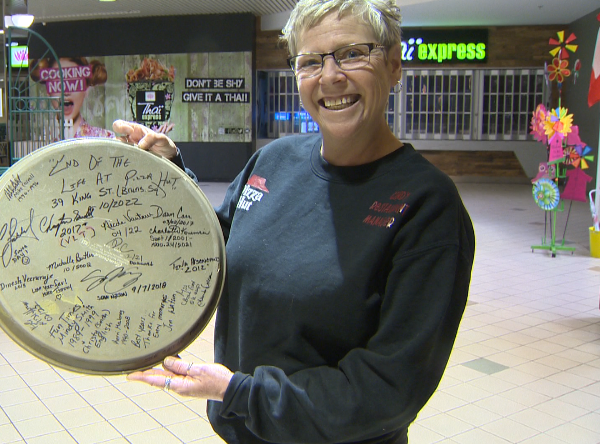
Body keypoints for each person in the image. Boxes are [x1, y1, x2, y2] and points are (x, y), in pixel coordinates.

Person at [116, 0, 475, 442]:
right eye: (310, 62)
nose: (330, 77)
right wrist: (169, 175)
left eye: (352, 53)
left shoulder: (427, 207)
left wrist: (243, 393)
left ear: (395, 65)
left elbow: (389, 387)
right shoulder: (273, 161)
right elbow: (212, 247)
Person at [47, 57, 115, 139]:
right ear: (48, 91)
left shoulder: (104, 140)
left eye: (74, 83)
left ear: (86, 90)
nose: (66, 92)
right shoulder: (40, 143)